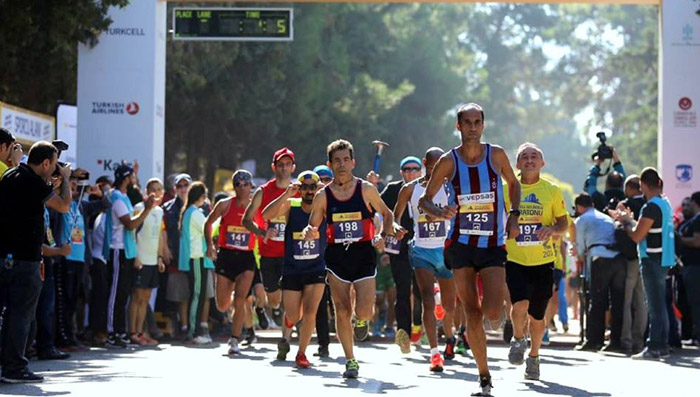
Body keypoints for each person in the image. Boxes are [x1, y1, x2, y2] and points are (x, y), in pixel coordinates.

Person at [418, 103, 520, 396]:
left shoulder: (496, 155)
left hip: (492, 244)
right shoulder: (449, 161)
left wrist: (513, 215)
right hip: (461, 244)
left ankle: (499, 321)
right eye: (468, 122)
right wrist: (439, 212)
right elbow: (425, 200)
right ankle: (484, 376)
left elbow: (513, 184)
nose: (473, 127)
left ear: (483, 125)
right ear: (458, 126)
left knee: (493, 313)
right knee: (472, 313)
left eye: (478, 122)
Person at [303, 139, 397, 379]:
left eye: (346, 160)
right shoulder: (323, 195)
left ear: (353, 162)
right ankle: (350, 360)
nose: (342, 164)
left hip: (363, 253)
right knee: (342, 309)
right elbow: (312, 224)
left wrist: (382, 236)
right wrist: (309, 231)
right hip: (336, 256)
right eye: (337, 160)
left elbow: (387, 213)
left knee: (364, 311)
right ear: (330, 164)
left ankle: (362, 321)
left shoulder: (365, 189)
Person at [0, 141, 72, 383]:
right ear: (45, 163)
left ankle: (6, 365)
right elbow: (63, 206)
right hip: (25, 259)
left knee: (7, 314)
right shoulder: (33, 182)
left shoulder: (10, 174)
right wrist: (67, 179)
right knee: (21, 315)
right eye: (53, 165)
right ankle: (14, 368)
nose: (54, 169)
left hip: (4, 255)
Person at [503, 143, 568, 381]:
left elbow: (564, 224)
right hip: (515, 258)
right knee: (519, 305)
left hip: (543, 260)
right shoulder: (506, 189)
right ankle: (519, 338)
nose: (529, 160)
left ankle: (534, 356)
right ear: (517, 164)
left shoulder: (552, 190)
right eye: (524, 157)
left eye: (534, 157)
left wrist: (551, 230)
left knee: (537, 316)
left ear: (542, 163)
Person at [393, 147, 457, 372]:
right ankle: (434, 353)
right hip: (421, 250)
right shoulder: (410, 189)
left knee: (450, 306)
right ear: (424, 164)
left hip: (445, 250)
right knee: (426, 300)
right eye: (431, 166)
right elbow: (396, 216)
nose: (435, 171)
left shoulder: (451, 186)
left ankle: (441, 301)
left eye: (440, 166)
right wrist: (396, 228)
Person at [262, 170, 327, 368]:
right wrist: (286, 194)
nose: (308, 191)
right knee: (294, 315)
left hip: (316, 268)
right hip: (292, 269)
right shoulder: (292, 206)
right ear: (299, 189)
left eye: (312, 187)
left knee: (310, 313)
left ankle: (301, 353)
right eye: (304, 187)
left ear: (318, 189)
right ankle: (288, 327)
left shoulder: (324, 207)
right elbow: (266, 215)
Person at [613, 167, 676, 360]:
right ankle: (662, 345)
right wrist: (632, 220)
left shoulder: (650, 206)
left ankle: (655, 346)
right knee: (660, 304)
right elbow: (647, 228)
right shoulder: (664, 203)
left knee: (655, 305)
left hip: (652, 260)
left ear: (643, 185)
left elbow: (637, 236)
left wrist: (625, 222)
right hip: (664, 258)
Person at [243, 147, 297, 356]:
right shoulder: (263, 191)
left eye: (287, 164)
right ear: (274, 167)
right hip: (268, 254)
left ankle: (285, 339)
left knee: (290, 297)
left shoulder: (299, 190)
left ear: (293, 167)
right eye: (280, 165)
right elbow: (246, 220)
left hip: (292, 253)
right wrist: (261, 231)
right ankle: (273, 308)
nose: (284, 168)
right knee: (274, 297)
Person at [372, 155, 422, 353]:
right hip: (399, 248)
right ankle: (403, 333)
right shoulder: (393, 189)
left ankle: (417, 323)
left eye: (414, 169)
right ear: (401, 172)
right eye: (407, 169)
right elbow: (376, 206)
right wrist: (373, 186)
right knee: (402, 289)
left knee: (420, 290)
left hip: (423, 245)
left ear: (421, 171)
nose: (410, 173)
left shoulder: (427, 187)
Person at [203, 171, 256, 354]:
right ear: (234, 187)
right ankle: (233, 298)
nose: (242, 188)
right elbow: (208, 223)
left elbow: (270, 222)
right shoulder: (225, 205)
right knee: (223, 305)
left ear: (251, 186)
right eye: (238, 185)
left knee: (241, 300)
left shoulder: (255, 207)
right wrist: (209, 245)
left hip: (246, 258)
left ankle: (234, 339)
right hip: (226, 256)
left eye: (246, 184)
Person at [104, 164, 157, 348]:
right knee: (115, 295)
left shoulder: (125, 196)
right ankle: (112, 333)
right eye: (133, 175)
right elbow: (130, 225)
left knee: (123, 295)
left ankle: (120, 332)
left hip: (126, 252)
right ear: (127, 178)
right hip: (117, 250)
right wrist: (148, 209)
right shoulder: (117, 197)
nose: (135, 178)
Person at [574, 193, 626, 352]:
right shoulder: (606, 218)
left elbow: (580, 248)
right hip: (618, 259)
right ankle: (615, 342)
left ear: (579, 207)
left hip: (599, 260)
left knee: (597, 301)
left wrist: (579, 255)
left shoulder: (582, 220)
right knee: (617, 302)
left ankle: (593, 340)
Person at [129, 178, 166, 346]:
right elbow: (131, 232)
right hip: (140, 259)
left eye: (159, 189)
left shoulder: (159, 211)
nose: (156, 193)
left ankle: (141, 332)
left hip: (152, 260)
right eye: (153, 189)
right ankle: (132, 332)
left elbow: (158, 236)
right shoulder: (138, 207)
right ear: (146, 191)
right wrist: (135, 256)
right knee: (136, 297)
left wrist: (159, 257)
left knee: (146, 298)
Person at [615, 175, 648, 355]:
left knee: (627, 301)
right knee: (641, 301)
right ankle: (639, 341)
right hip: (644, 256)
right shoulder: (647, 204)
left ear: (628, 188)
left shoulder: (624, 205)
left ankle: (626, 340)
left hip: (628, 259)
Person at [178, 182, 214, 343]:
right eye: (204, 196)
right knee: (197, 295)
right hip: (197, 257)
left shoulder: (189, 212)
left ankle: (195, 330)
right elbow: (209, 227)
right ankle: (193, 332)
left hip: (196, 258)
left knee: (197, 295)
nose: (205, 199)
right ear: (200, 197)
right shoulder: (195, 213)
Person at [163, 173, 192, 338]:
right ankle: (182, 326)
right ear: (174, 189)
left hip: (194, 256)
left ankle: (192, 326)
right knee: (178, 294)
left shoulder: (200, 206)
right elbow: (163, 231)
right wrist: (165, 249)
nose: (182, 189)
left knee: (193, 293)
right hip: (176, 256)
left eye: (185, 185)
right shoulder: (166, 208)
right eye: (179, 186)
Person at [677, 192, 700, 346]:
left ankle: (698, 336)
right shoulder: (691, 220)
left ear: (694, 202)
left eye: (689, 202)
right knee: (690, 303)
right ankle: (692, 334)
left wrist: (679, 239)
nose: (687, 206)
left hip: (695, 267)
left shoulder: (698, 219)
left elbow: (697, 241)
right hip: (688, 267)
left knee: (696, 302)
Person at [583, 146, 626, 212]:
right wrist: (615, 157)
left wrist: (597, 164)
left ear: (606, 184)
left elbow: (589, 185)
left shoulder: (598, 199)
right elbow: (624, 179)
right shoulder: (627, 200)